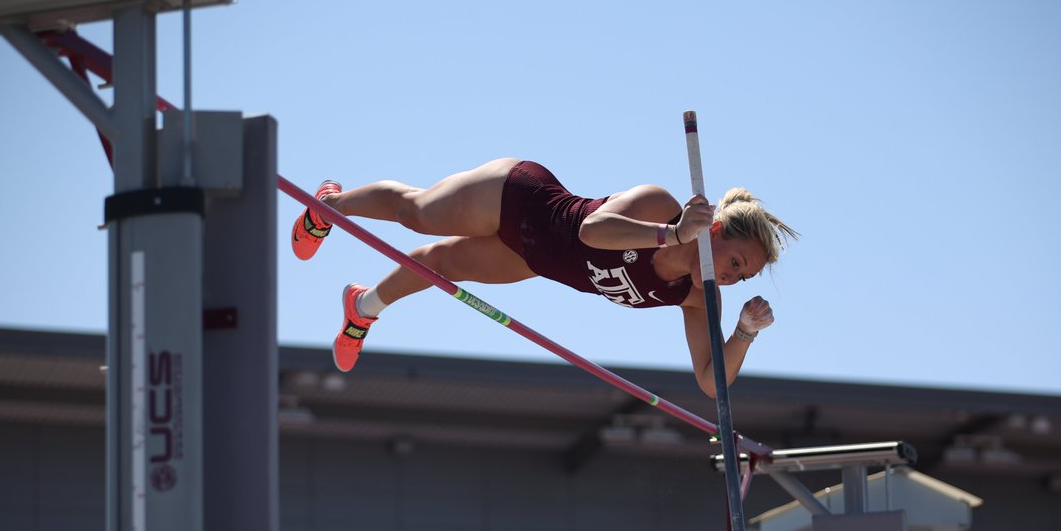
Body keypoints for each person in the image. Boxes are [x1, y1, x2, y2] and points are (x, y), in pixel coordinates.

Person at [290, 158, 797, 398]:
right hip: (520, 200)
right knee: (416, 212)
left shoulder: (693, 297)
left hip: (536, 262)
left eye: (743, 275)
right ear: (717, 229)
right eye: (735, 262)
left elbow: (712, 382)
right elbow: (594, 231)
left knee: (438, 265)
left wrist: (743, 335)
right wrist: (671, 233)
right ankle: (327, 206)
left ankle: (362, 307)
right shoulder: (660, 206)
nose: (731, 278)